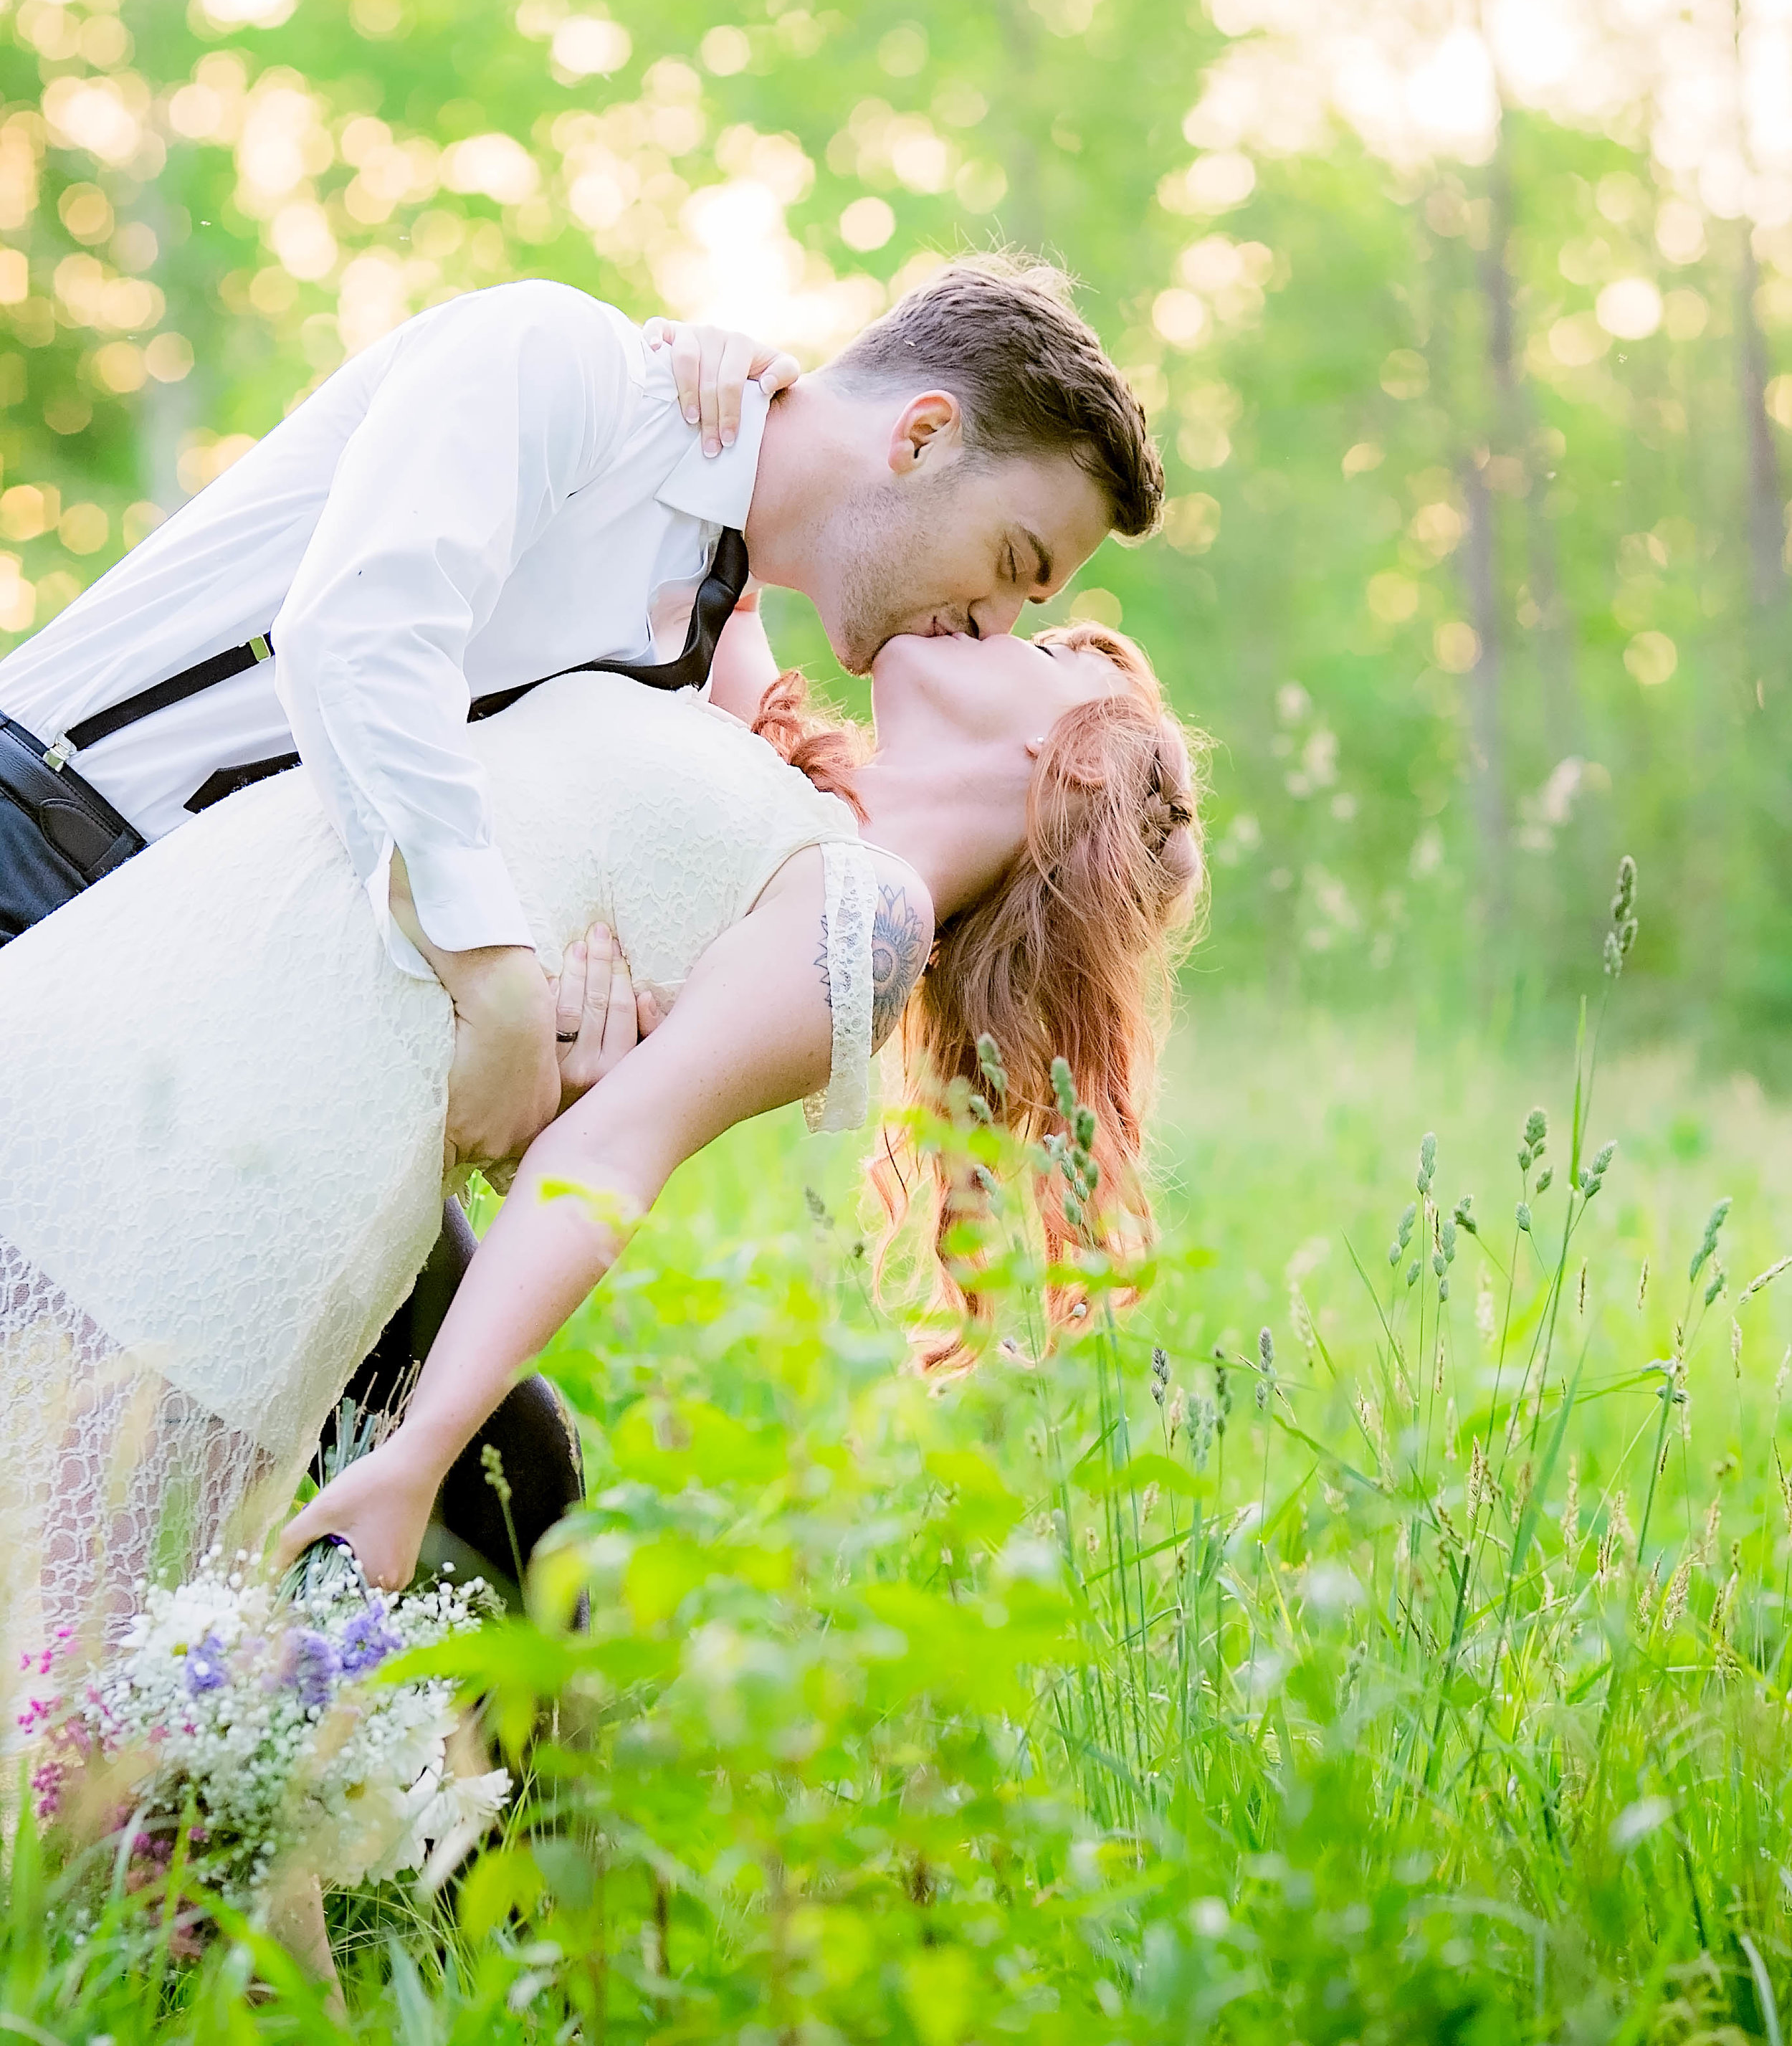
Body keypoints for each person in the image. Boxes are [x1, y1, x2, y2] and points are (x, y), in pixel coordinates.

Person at [0, 258, 1167, 1594]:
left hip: (254, 1022)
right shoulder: (567, 368)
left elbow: (595, 937)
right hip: (49, 850)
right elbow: (366, 634)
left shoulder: (685, 647)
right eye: (1017, 567)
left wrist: (569, 1039)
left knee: (508, 1497)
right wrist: (496, 985)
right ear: (920, 435)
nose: (999, 620)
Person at [0, 608, 1197, 1672]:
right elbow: (754, 515)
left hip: (279, 1154)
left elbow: (609, 1154)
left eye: (1041, 643)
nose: (990, 607)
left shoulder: (871, 917)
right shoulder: (779, 763)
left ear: (1075, 764)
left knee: (70, 1703)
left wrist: (423, 1449)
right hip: (168, 993)